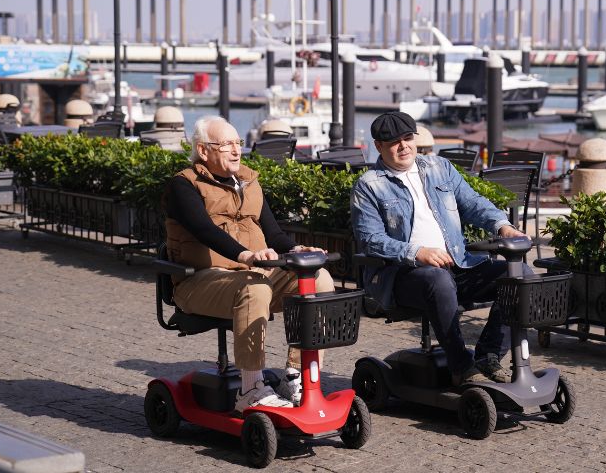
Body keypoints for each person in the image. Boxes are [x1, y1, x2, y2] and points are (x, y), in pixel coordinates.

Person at [162, 115, 334, 412]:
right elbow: (205, 230)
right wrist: (246, 255)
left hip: (254, 274)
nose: (236, 150)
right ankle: (251, 388)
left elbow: (274, 233)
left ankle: (297, 375)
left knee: (318, 279)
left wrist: (296, 248)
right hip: (199, 280)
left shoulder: (249, 181)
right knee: (254, 288)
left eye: (238, 143)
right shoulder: (183, 184)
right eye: (226, 144)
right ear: (203, 151)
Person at [351, 111, 530, 386]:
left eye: (408, 138)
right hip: (402, 276)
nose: (404, 146)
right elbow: (370, 239)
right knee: (438, 280)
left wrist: (502, 225)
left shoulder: (439, 167)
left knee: (520, 276)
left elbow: (473, 202)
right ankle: (462, 367)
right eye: (394, 142)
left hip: (457, 264)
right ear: (378, 146)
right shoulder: (368, 185)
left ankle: (488, 356)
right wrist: (417, 252)